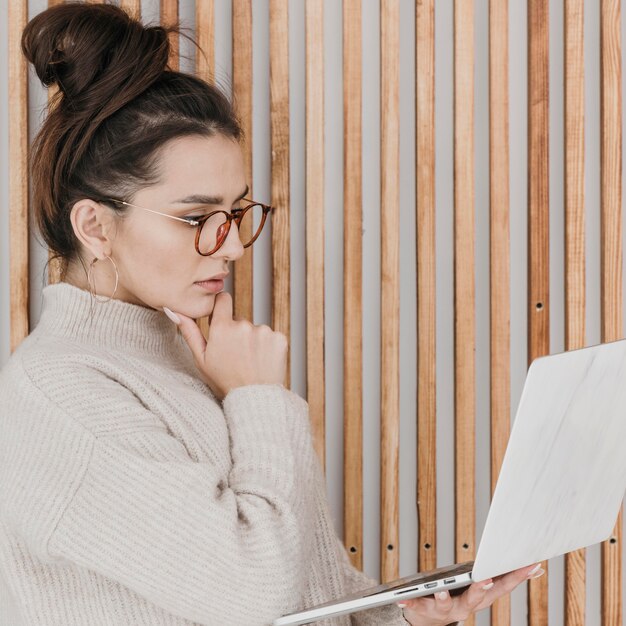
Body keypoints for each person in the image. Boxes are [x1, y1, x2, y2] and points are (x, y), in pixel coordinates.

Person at [0, 4, 542, 625]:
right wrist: (257, 397)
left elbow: (293, 598)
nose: (229, 244)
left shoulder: (192, 354)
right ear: (94, 224)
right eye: (197, 218)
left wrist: (397, 617)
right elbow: (252, 593)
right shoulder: (61, 397)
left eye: (235, 212)